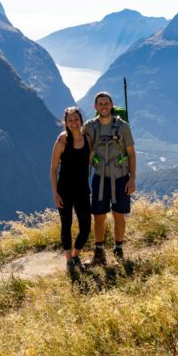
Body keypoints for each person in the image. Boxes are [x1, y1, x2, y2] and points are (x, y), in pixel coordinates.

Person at [83, 91, 136, 265]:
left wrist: (132, 179)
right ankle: (99, 252)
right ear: (95, 107)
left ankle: (118, 249)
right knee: (99, 216)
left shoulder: (123, 127)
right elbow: (81, 147)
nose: (104, 106)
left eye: (106, 103)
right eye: (100, 103)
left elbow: (131, 153)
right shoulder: (89, 127)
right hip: (100, 177)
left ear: (111, 105)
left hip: (121, 178)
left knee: (119, 214)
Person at [49, 106, 92, 280]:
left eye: (76, 119)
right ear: (65, 122)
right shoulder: (62, 141)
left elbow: (92, 160)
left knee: (86, 228)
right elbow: (53, 169)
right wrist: (55, 194)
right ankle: (69, 261)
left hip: (82, 190)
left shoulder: (88, 140)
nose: (73, 123)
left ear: (81, 120)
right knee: (66, 226)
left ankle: (75, 255)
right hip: (64, 191)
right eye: (70, 120)